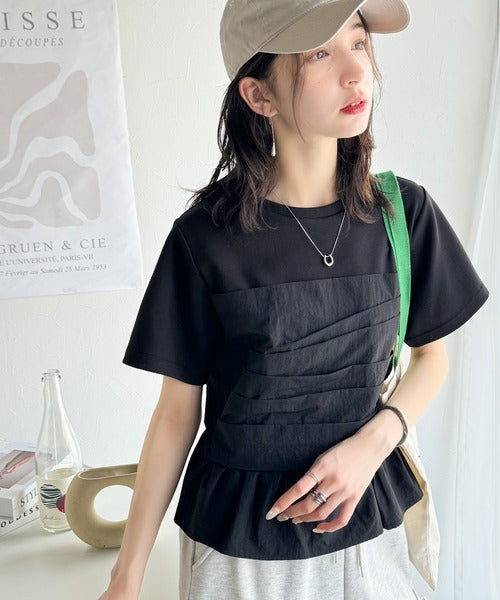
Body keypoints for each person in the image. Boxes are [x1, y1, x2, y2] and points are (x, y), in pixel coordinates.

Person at [99, 1, 490, 599]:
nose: (356, 73)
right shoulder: (206, 238)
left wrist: (371, 446)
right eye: (319, 54)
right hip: (241, 548)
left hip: (368, 529)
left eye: (357, 43)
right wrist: (125, 578)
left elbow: (432, 358)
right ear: (260, 96)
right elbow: (177, 413)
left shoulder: (402, 214)